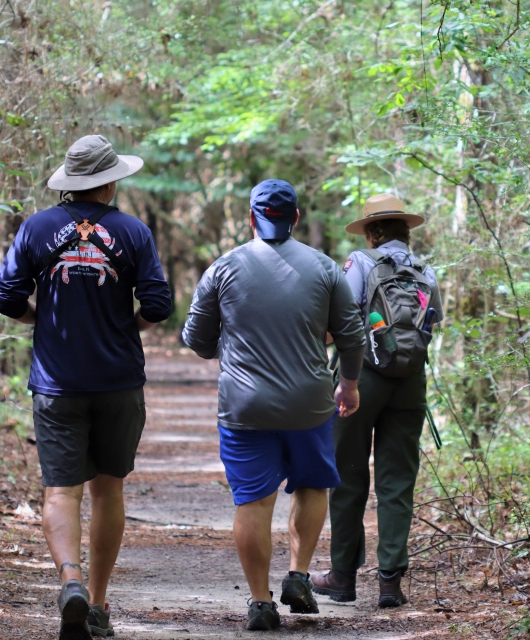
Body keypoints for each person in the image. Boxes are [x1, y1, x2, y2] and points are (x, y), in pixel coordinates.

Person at [0, 135, 173, 639]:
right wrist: (123, 326)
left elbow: (7, 299)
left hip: (56, 384)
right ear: (111, 181)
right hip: (118, 381)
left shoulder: (36, 227)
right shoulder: (134, 232)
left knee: (61, 490)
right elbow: (158, 305)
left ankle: (69, 580)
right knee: (108, 488)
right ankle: (96, 603)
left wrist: (41, 320)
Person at [182, 179, 366, 631]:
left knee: (253, 501)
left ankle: (261, 602)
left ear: (251, 218)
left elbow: (196, 340)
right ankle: (299, 574)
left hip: (246, 408)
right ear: (296, 218)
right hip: (310, 403)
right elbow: (352, 336)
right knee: (312, 486)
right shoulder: (326, 269)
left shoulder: (224, 268)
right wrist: (349, 385)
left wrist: (229, 342)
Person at [311, 193, 442, 608]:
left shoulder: (359, 263)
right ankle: (390, 583)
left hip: (361, 377)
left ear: (371, 231)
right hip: (411, 383)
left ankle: (343, 578)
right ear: (406, 230)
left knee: (348, 474)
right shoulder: (427, 271)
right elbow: (432, 324)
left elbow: (342, 320)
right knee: (397, 482)